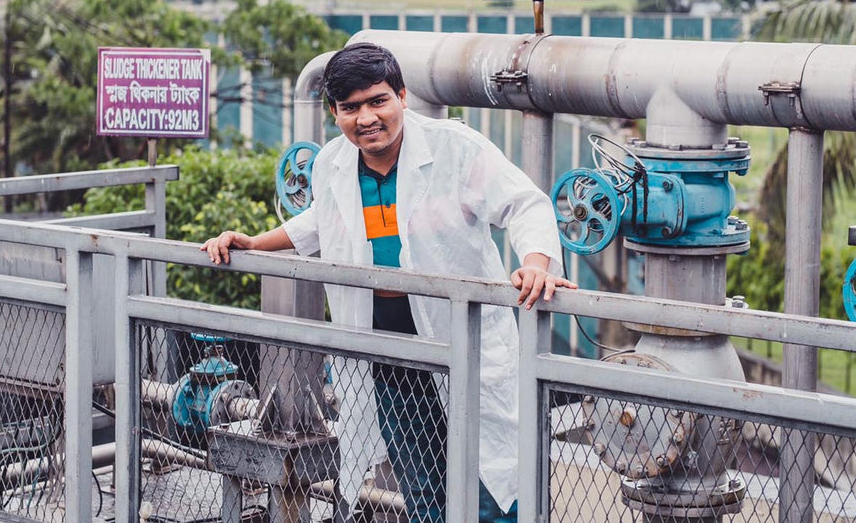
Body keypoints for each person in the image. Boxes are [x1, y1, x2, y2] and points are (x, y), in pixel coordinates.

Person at [201, 42, 576, 522]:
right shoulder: (332, 163)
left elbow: (524, 203)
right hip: (390, 354)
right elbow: (323, 221)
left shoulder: (455, 147)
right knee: (422, 488)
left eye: (378, 101)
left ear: (402, 96)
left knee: (493, 484)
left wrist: (536, 262)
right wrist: (255, 243)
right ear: (335, 113)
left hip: (463, 344)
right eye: (350, 107)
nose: (366, 118)